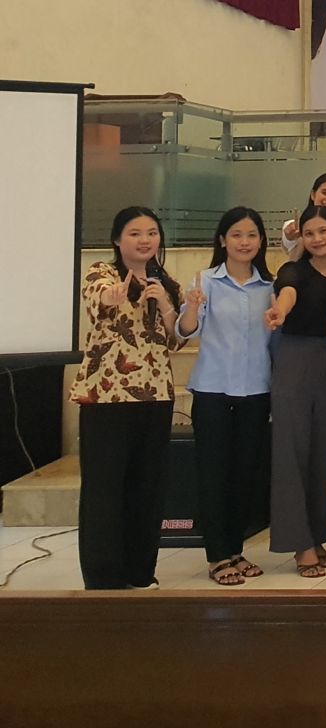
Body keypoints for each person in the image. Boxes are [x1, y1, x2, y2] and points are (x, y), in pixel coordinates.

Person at [73, 207, 182, 590]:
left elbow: (175, 338)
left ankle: (139, 570)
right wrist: (115, 294)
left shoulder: (164, 281)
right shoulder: (100, 272)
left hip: (155, 395)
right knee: (105, 487)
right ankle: (102, 576)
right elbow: (99, 299)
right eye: (135, 233)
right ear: (118, 239)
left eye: (151, 232)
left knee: (147, 486)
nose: (145, 240)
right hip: (107, 398)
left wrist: (166, 303)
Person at [176, 207, 274, 586]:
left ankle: (235, 549)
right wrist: (192, 307)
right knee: (213, 475)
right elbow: (186, 331)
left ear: (261, 241)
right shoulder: (205, 281)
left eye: (251, 235)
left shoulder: (270, 286)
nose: (244, 242)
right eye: (236, 235)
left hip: (256, 390)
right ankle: (217, 556)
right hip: (213, 390)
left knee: (244, 476)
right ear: (222, 240)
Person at [266, 205, 326, 577]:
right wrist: (281, 311)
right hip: (295, 360)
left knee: (323, 452)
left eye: (323, 231)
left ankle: (316, 537)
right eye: (309, 233)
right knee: (293, 450)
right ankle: (299, 543)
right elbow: (287, 294)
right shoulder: (294, 271)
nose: (316, 239)